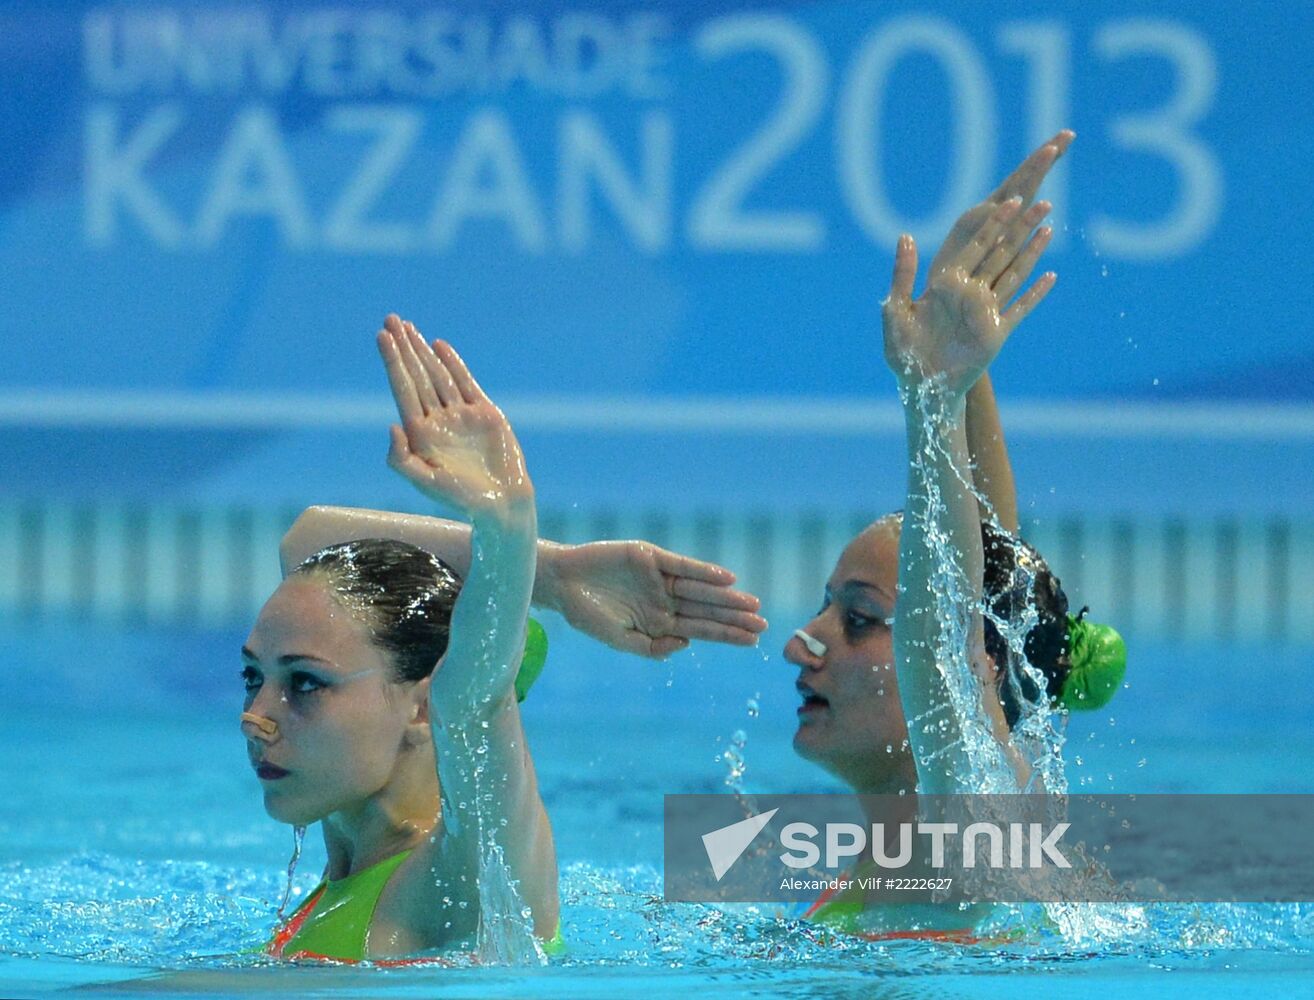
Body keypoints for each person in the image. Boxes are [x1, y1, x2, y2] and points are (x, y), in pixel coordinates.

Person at [245, 317, 766, 964]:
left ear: (421, 704)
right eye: (254, 677)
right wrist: (554, 574)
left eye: (304, 684)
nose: (257, 716)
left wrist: (507, 522)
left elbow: (474, 701)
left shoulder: (458, 878)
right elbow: (308, 544)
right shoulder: (350, 868)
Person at [784, 132, 1125, 938]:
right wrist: (962, 368)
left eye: (860, 618)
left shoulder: (966, 846)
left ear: (972, 665)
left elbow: (952, 618)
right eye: (831, 609)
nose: (804, 643)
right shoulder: (920, 853)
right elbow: (986, 569)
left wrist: (932, 399)